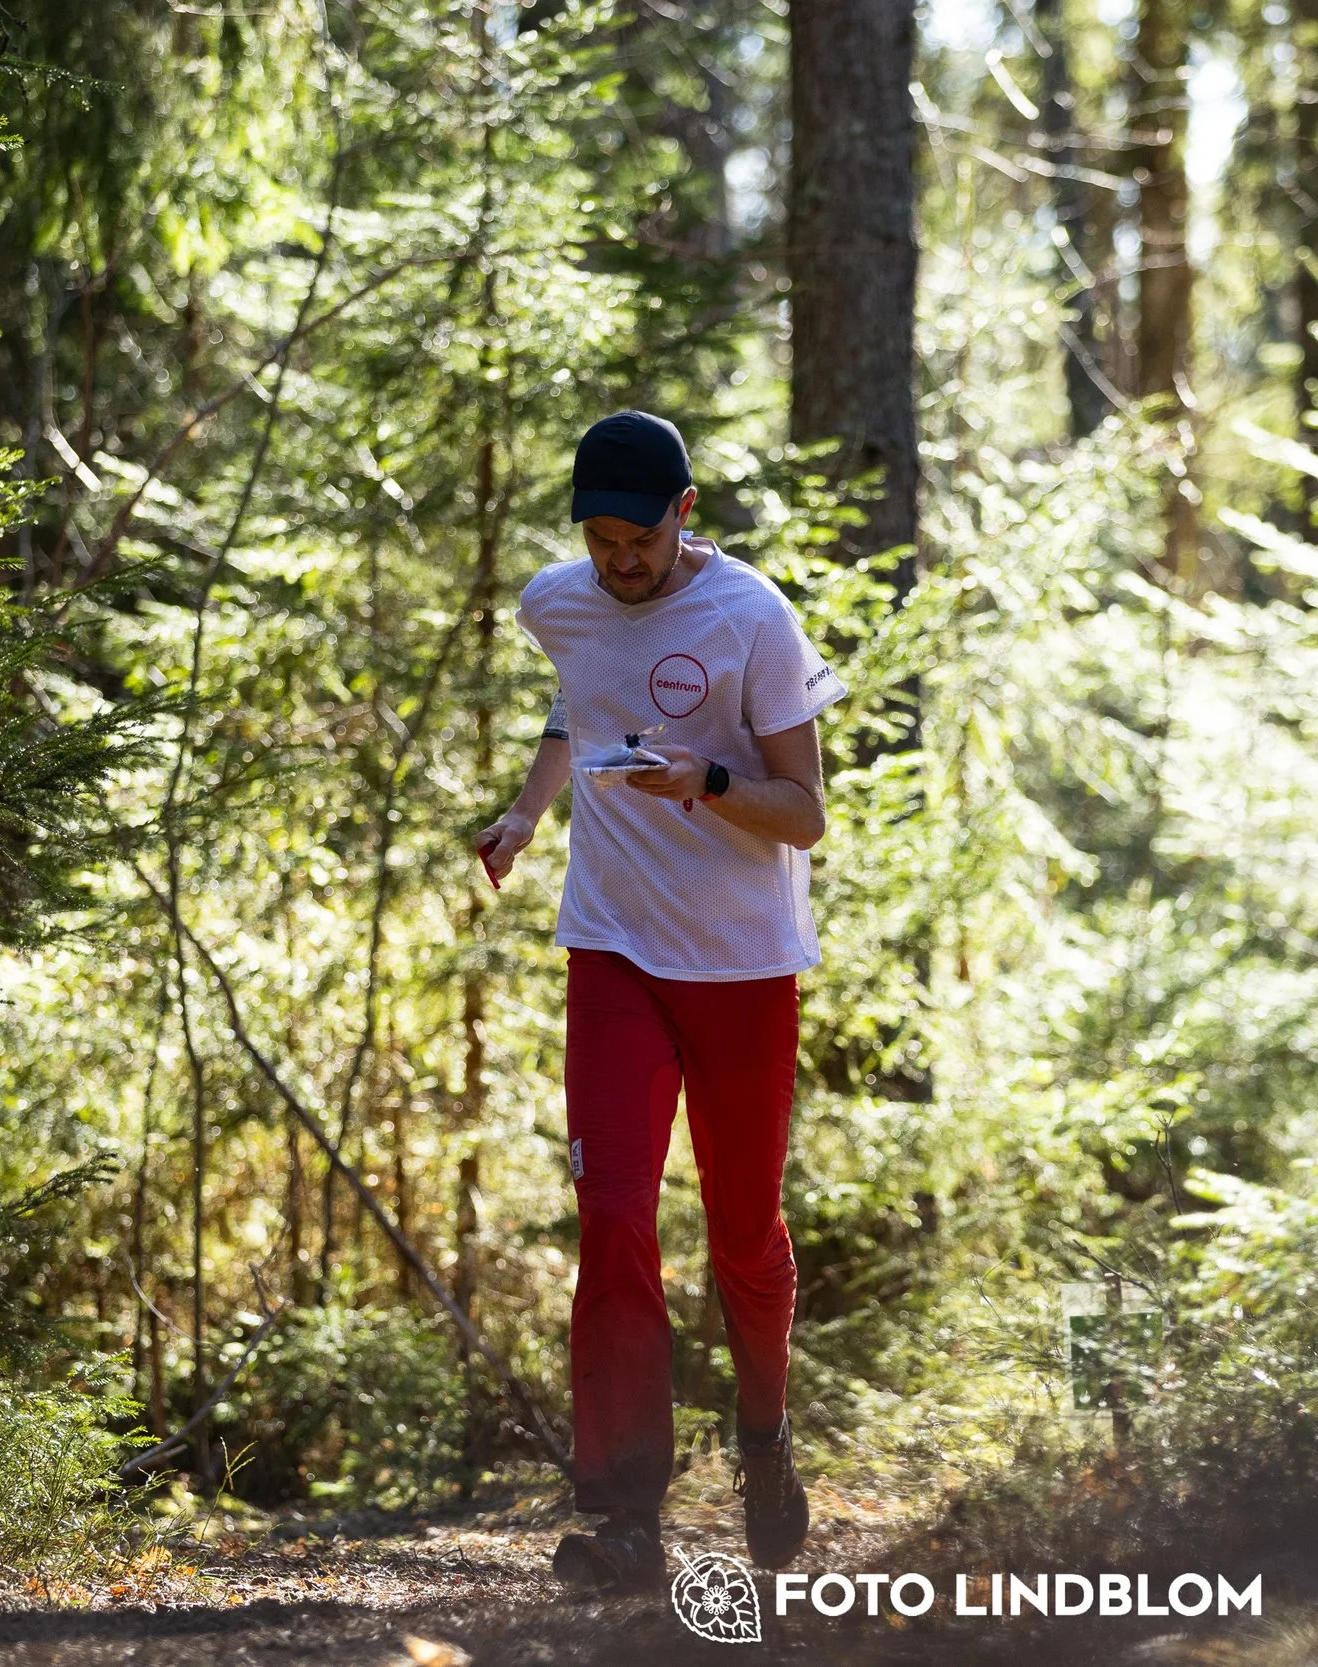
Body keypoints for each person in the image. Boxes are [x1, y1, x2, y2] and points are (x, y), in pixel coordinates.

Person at [473, 410, 842, 1591]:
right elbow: (576, 700)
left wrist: (708, 779)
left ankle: (764, 1435)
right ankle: (626, 1509)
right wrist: (530, 810)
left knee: (742, 1229)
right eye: (598, 540)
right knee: (615, 1211)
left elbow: (804, 811)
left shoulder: (753, 617)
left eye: (637, 539)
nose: (617, 563)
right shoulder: (557, 600)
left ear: (686, 513)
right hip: (615, 950)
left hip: (741, 964)